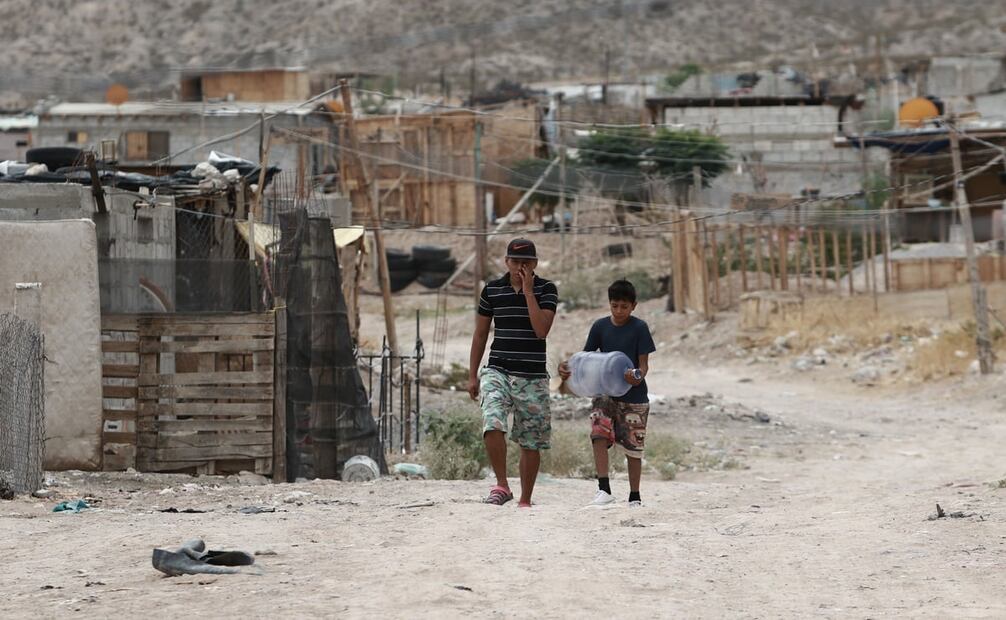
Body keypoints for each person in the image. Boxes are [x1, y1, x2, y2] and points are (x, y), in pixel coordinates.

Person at [468, 238, 558, 507]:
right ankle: (502, 485)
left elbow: (541, 330)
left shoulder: (546, 290)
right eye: (516, 261)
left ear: (535, 264)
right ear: (506, 262)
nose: (521, 266)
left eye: (527, 262)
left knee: (531, 440)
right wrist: (472, 374)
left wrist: (529, 291)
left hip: (532, 375)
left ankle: (525, 499)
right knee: (492, 422)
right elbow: (481, 333)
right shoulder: (492, 291)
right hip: (498, 369)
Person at [559, 279, 656, 507]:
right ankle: (603, 489)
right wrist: (566, 368)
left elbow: (643, 365)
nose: (619, 311)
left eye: (624, 306)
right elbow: (586, 359)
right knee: (598, 433)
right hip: (605, 393)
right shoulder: (600, 327)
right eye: (614, 306)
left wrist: (636, 376)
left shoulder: (639, 328)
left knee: (633, 448)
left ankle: (634, 496)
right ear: (609, 304)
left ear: (634, 306)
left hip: (634, 397)